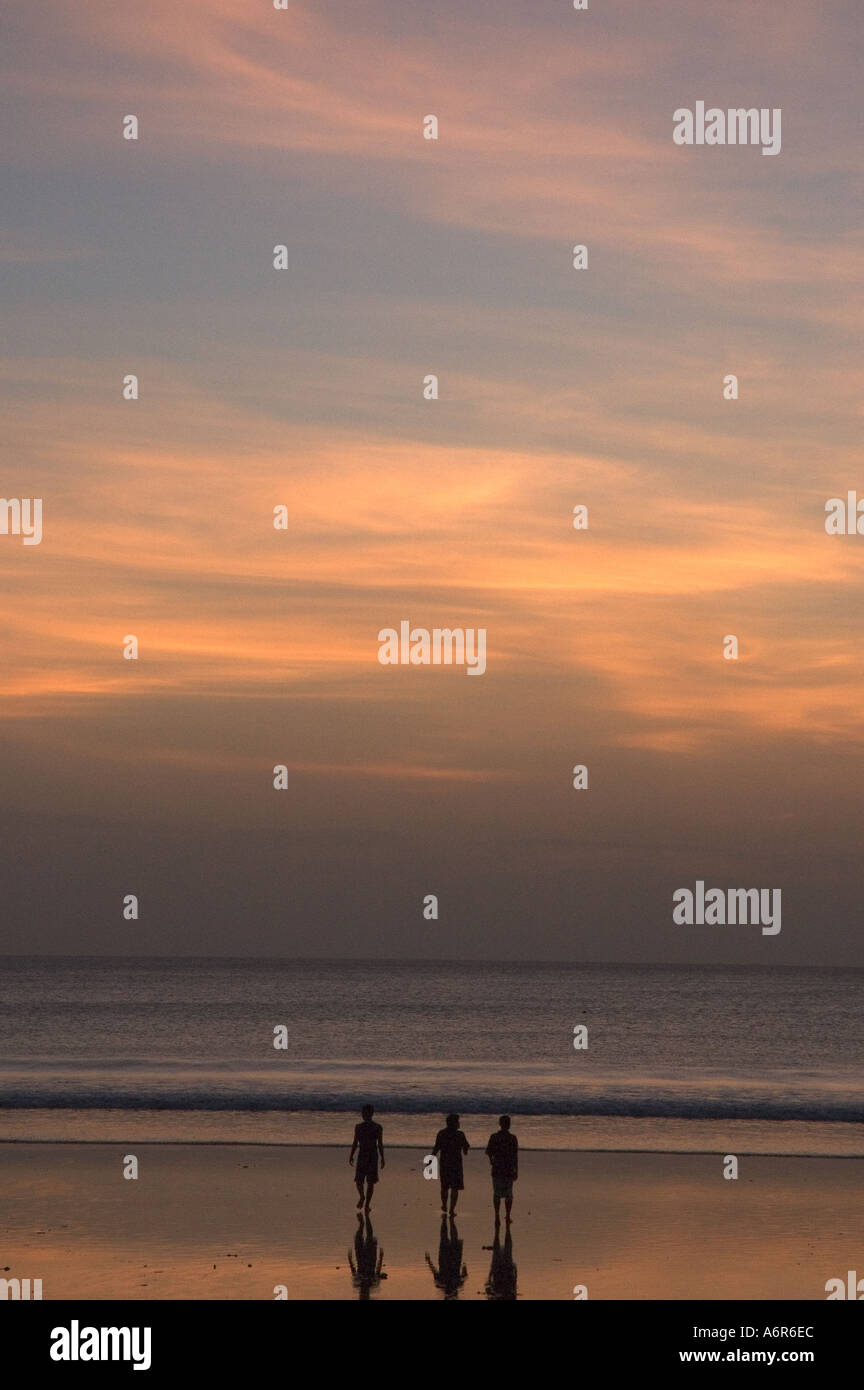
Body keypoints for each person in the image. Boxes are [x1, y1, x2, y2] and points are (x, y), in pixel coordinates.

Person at [432, 1113, 469, 1215]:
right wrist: (465, 1150)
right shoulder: (460, 1134)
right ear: (455, 1123)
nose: (459, 1124)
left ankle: (444, 1204)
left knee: (444, 1186)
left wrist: (431, 1159)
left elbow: (436, 1148)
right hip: (456, 1164)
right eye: (457, 1122)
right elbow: (466, 1148)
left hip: (444, 1163)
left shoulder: (441, 1133)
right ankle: (452, 1209)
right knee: (454, 1188)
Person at [349, 1103, 384, 1211]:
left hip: (365, 1154)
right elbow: (379, 1145)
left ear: (369, 1114)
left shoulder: (360, 1127)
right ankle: (366, 1202)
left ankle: (364, 1199)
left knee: (362, 1181)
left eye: (364, 1113)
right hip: (371, 1155)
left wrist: (351, 1155)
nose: (363, 1114)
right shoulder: (377, 1127)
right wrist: (382, 1158)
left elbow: (355, 1143)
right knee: (368, 1182)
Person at [485, 1114, 518, 1224]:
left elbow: (489, 1152)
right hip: (508, 1168)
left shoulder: (494, 1137)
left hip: (497, 1167)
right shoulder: (512, 1138)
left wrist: (491, 1161)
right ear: (509, 1125)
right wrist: (516, 1170)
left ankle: (497, 1215)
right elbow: (515, 1156)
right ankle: (508, 1216)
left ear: (500, 1124)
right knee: (509, 1194)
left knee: (497, 1193)